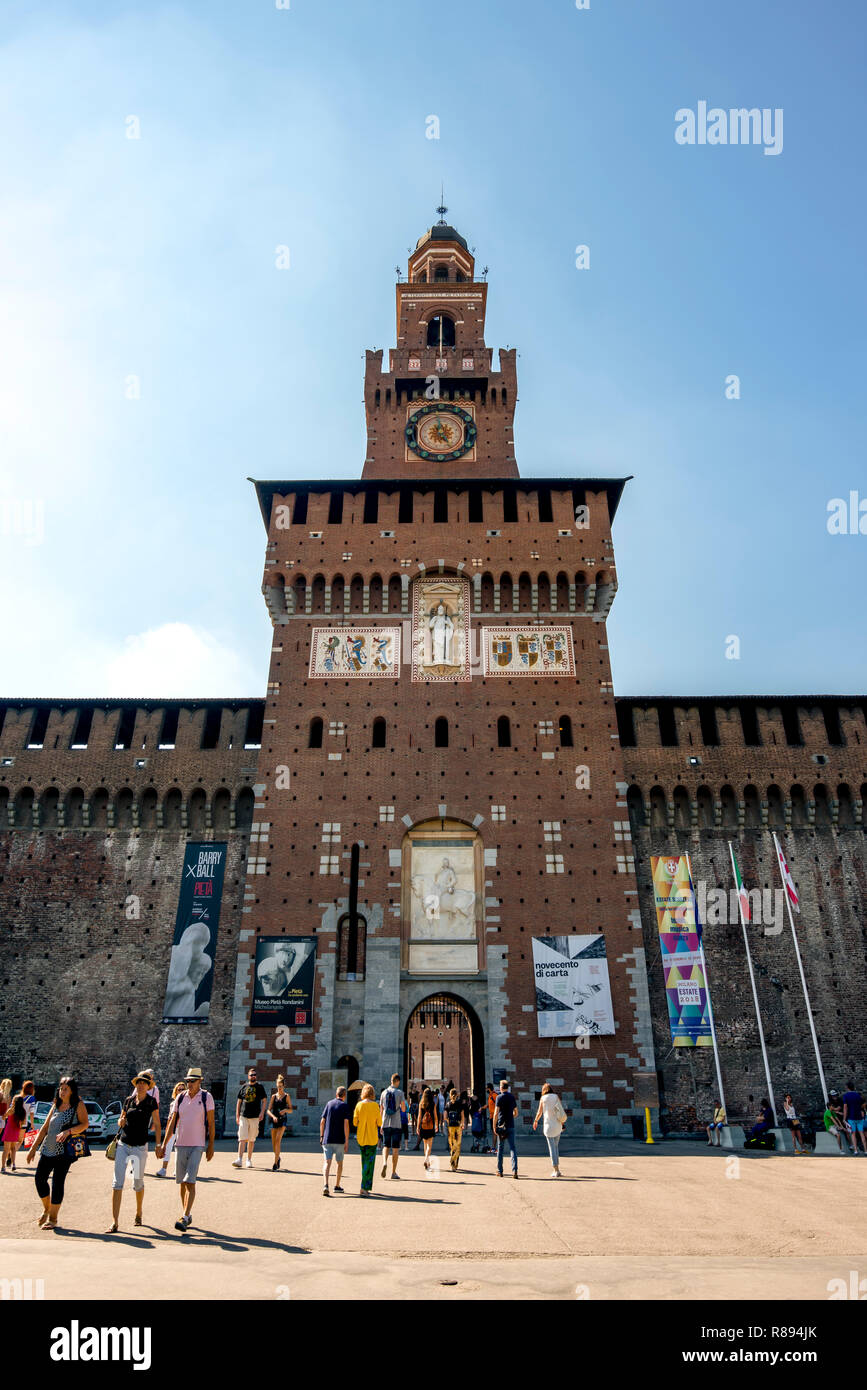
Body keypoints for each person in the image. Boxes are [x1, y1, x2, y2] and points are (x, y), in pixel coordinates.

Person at [156, 1066, 215, 1232]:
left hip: (197, 1144)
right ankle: (186, 1214)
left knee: (190, 1180)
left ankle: (185, 1215)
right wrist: (163, 1144)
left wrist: (211, 1145)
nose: (189, 1084)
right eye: (188, 1081)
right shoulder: (180, 1098)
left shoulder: (206, 1097)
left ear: (199, 1082)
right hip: (180, 1144)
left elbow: (211, 1123)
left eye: (193, 1081)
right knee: (182, 1182)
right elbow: (172, 1123)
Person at [27, 1076, 89, 1230]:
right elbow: (45, 1127)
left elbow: (85, 1124)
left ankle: (53, 1219)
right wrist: (33, 1148)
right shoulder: (56, 1103)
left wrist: (69, 1131)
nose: (62, 1091)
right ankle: (47, 1208)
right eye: (61, 1088)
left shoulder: (77, 1104)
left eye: (65, 1089)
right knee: (39, 1179)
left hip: (64, 1152)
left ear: (72, 1091)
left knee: (57, 1182)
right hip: (48, 1148)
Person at [108, 1072, 161, 1232]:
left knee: (137, 1182)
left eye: (144, 1083)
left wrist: (158, 1144)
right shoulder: (129, 1100)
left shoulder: (151, 1102)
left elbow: (157, 1124)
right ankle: (114, 1222)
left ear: (148, 1086)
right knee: (117, 1183)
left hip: (139, 1147)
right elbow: (121, 1118)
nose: (141, 1085)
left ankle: (138, 1212)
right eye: (139, 1082)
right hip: (123, 1144)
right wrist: (120, 1121)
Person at [320, 1085, 351, 1195]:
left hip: (327, 1138)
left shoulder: (329, 1104)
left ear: (336, 1094)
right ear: (344, 1095)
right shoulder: (344, 1106)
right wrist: (347, 1140)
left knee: (327, 1162)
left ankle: (325, 1185)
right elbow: (346, 1124)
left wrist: (321, 1136)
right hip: (339, 1139)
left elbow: (322, 1121)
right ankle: (337, 1186)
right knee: (339, 1163)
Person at [233, 1066, 267, 1169]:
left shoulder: (260, 1087)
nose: (253, 1076)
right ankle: (239, 1159)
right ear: (248, 1076)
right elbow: (239, 1102)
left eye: (255, 1075)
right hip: (244, 1115)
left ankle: (248, 1159)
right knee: (242, 1138)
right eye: (252, 1075)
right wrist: (237, 1115)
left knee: (251, 1139)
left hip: (255, 1117)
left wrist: (262, 1113)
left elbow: (264, 1100)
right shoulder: (244, 1087)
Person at [533, 1083, 566, 1177]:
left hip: (548, 1127)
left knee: (552, 1148)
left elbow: (539, 1112)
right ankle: (557, 1169)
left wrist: (535, 1121)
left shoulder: (543, 1098)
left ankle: (556, 1170)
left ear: (543, 1090)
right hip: (557, 1126)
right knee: (555, 1147)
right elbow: (560, 1110)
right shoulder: (555, 1096)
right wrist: (562, 1123)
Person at [353, 1083, 380, 1196]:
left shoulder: (359, 1105)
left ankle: (366, 1187)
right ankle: (364, 1187)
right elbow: (379, 1122)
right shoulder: (375, 1106)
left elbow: (355, 1122)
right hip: (372, 1138)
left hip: (361, 1137)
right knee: (370, 1163)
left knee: (364, 1161)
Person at [155, 1081, 186, 1177]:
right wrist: (168, 1128)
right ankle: (164, 1169)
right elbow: (170, 1117)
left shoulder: (187, 1102)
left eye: (182, 1089)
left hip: (183, 1129)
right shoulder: (173, 1103)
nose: (180, 1091)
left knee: (179, 1149)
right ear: (175, 1091)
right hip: (173, 1128)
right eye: (179, 1089)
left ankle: (178, 1169)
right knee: (167, 1147)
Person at [379, 1073, 407, 1180]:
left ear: (391, 1081)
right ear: (397, 1081)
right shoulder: (400, 1093)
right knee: (395, 1148)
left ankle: (384, 1162)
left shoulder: (383, 1093)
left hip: (385, 1122)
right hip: (396, 1124)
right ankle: (393, 1172)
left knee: (386, 1145)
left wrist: (381, 1124)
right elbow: (403, 1109)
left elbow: (381, 1109)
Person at [493, 1079, 519, 1178]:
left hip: (501, 1126)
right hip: (510, 1125)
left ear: (501, 1087)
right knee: (512, 1148)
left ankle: (500, 1171)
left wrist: (494, 1126)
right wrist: (511, 1115)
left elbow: (496, 1113)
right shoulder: (512, 1097)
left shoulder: (499, 1097)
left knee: (500, 1148)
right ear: (507, 1087)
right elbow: (516, 1112)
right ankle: (514, 1171)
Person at [267, 1075, 292, 1170]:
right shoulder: (274, 1096)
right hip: (274, 1120)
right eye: (278, 1086)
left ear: (284, 1086)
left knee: (278, 1140)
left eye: (281, 1086)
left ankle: (275, 1163)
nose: (279, 1088)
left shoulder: (287, 1096)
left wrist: (285, 1110)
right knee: (274, 1143)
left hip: (283, 1120)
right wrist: (273, 1116)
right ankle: (278, 1157)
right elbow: (268, 1110)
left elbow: (291, 1110)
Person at [2, 1092, 28, 1173]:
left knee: (6, 1149)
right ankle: (13, 1165)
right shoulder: (23, 1111)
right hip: (16, 1130)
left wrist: (6, 1116)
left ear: (14, 1101)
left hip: (9, 1130)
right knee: (13, 1149)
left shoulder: (11, 1110)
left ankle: (3, 1167)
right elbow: (23, 1123)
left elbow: (3, 1117)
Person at [841, 1082, 867, 1155]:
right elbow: (863, 1104)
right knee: (862, 1134)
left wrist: (844, 1118)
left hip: (851, 1117)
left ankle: (856, 1151)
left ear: (847, 1087)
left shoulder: (846, 1096)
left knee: (853, 1134)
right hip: (859, 1117)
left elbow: (845, 1108)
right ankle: (866, 1150)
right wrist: (860, 1110)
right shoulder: (858, 1095)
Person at [445, 1089, 466, 1171]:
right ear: (457, 1095)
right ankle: (454, 1164)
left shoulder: (448, 1104)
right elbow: (462, 1115)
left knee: (452, 1145)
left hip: (450, 1127)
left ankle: (452, 1163)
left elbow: (445, 1117)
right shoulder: (459, 1104)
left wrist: (448, 1121)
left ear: (450, 1095)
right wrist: (462, 1124)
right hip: (458, 1126)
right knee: (457, 1145)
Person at [417, 1086, 438, 1169]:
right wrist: (436, 1125)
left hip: (423, 1126)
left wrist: (418, 1127)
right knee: (430, 1144)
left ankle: (426, 1160)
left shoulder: (421, 1104)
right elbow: (435, 1116)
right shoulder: (433, 1104)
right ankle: (426, 1159)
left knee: (425, 1144)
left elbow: (419, 1116)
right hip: (431, 1126)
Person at [486, 1083, 497, 1152]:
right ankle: (494, 1147)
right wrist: (484, 1107)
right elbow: (490, 1104)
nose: (486, 1089)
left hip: (494, 1116)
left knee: (495, 1132)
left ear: (489, 1088)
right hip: (491, 1116)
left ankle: (494, 1148)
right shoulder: (490, 1096)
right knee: (494, 1132)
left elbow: (498, 1105)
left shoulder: (494, 1095)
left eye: (486, 1088)